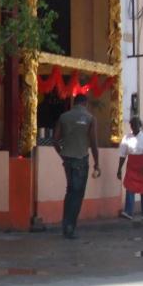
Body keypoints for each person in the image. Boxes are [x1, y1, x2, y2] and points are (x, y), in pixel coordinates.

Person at [53, 94, 100, 240]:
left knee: (70, 191)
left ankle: (65, 225)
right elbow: (93, 143)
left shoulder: (64, 117)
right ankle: (70, 227)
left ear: (74, 103)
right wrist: (97, 163)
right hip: (81, 160)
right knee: (77, 195)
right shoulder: (90, 118)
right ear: (85, 103)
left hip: (67, 159)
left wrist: (62, 154)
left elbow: (55, 140)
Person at [117, 117, 143, 221]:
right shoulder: (126, 138)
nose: (134, 127)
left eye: (135, 125)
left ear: (140, 126)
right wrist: (119, 169)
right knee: (129, 187)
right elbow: (122, 155)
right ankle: (128, 212)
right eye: (132, 125)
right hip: (132, 165)